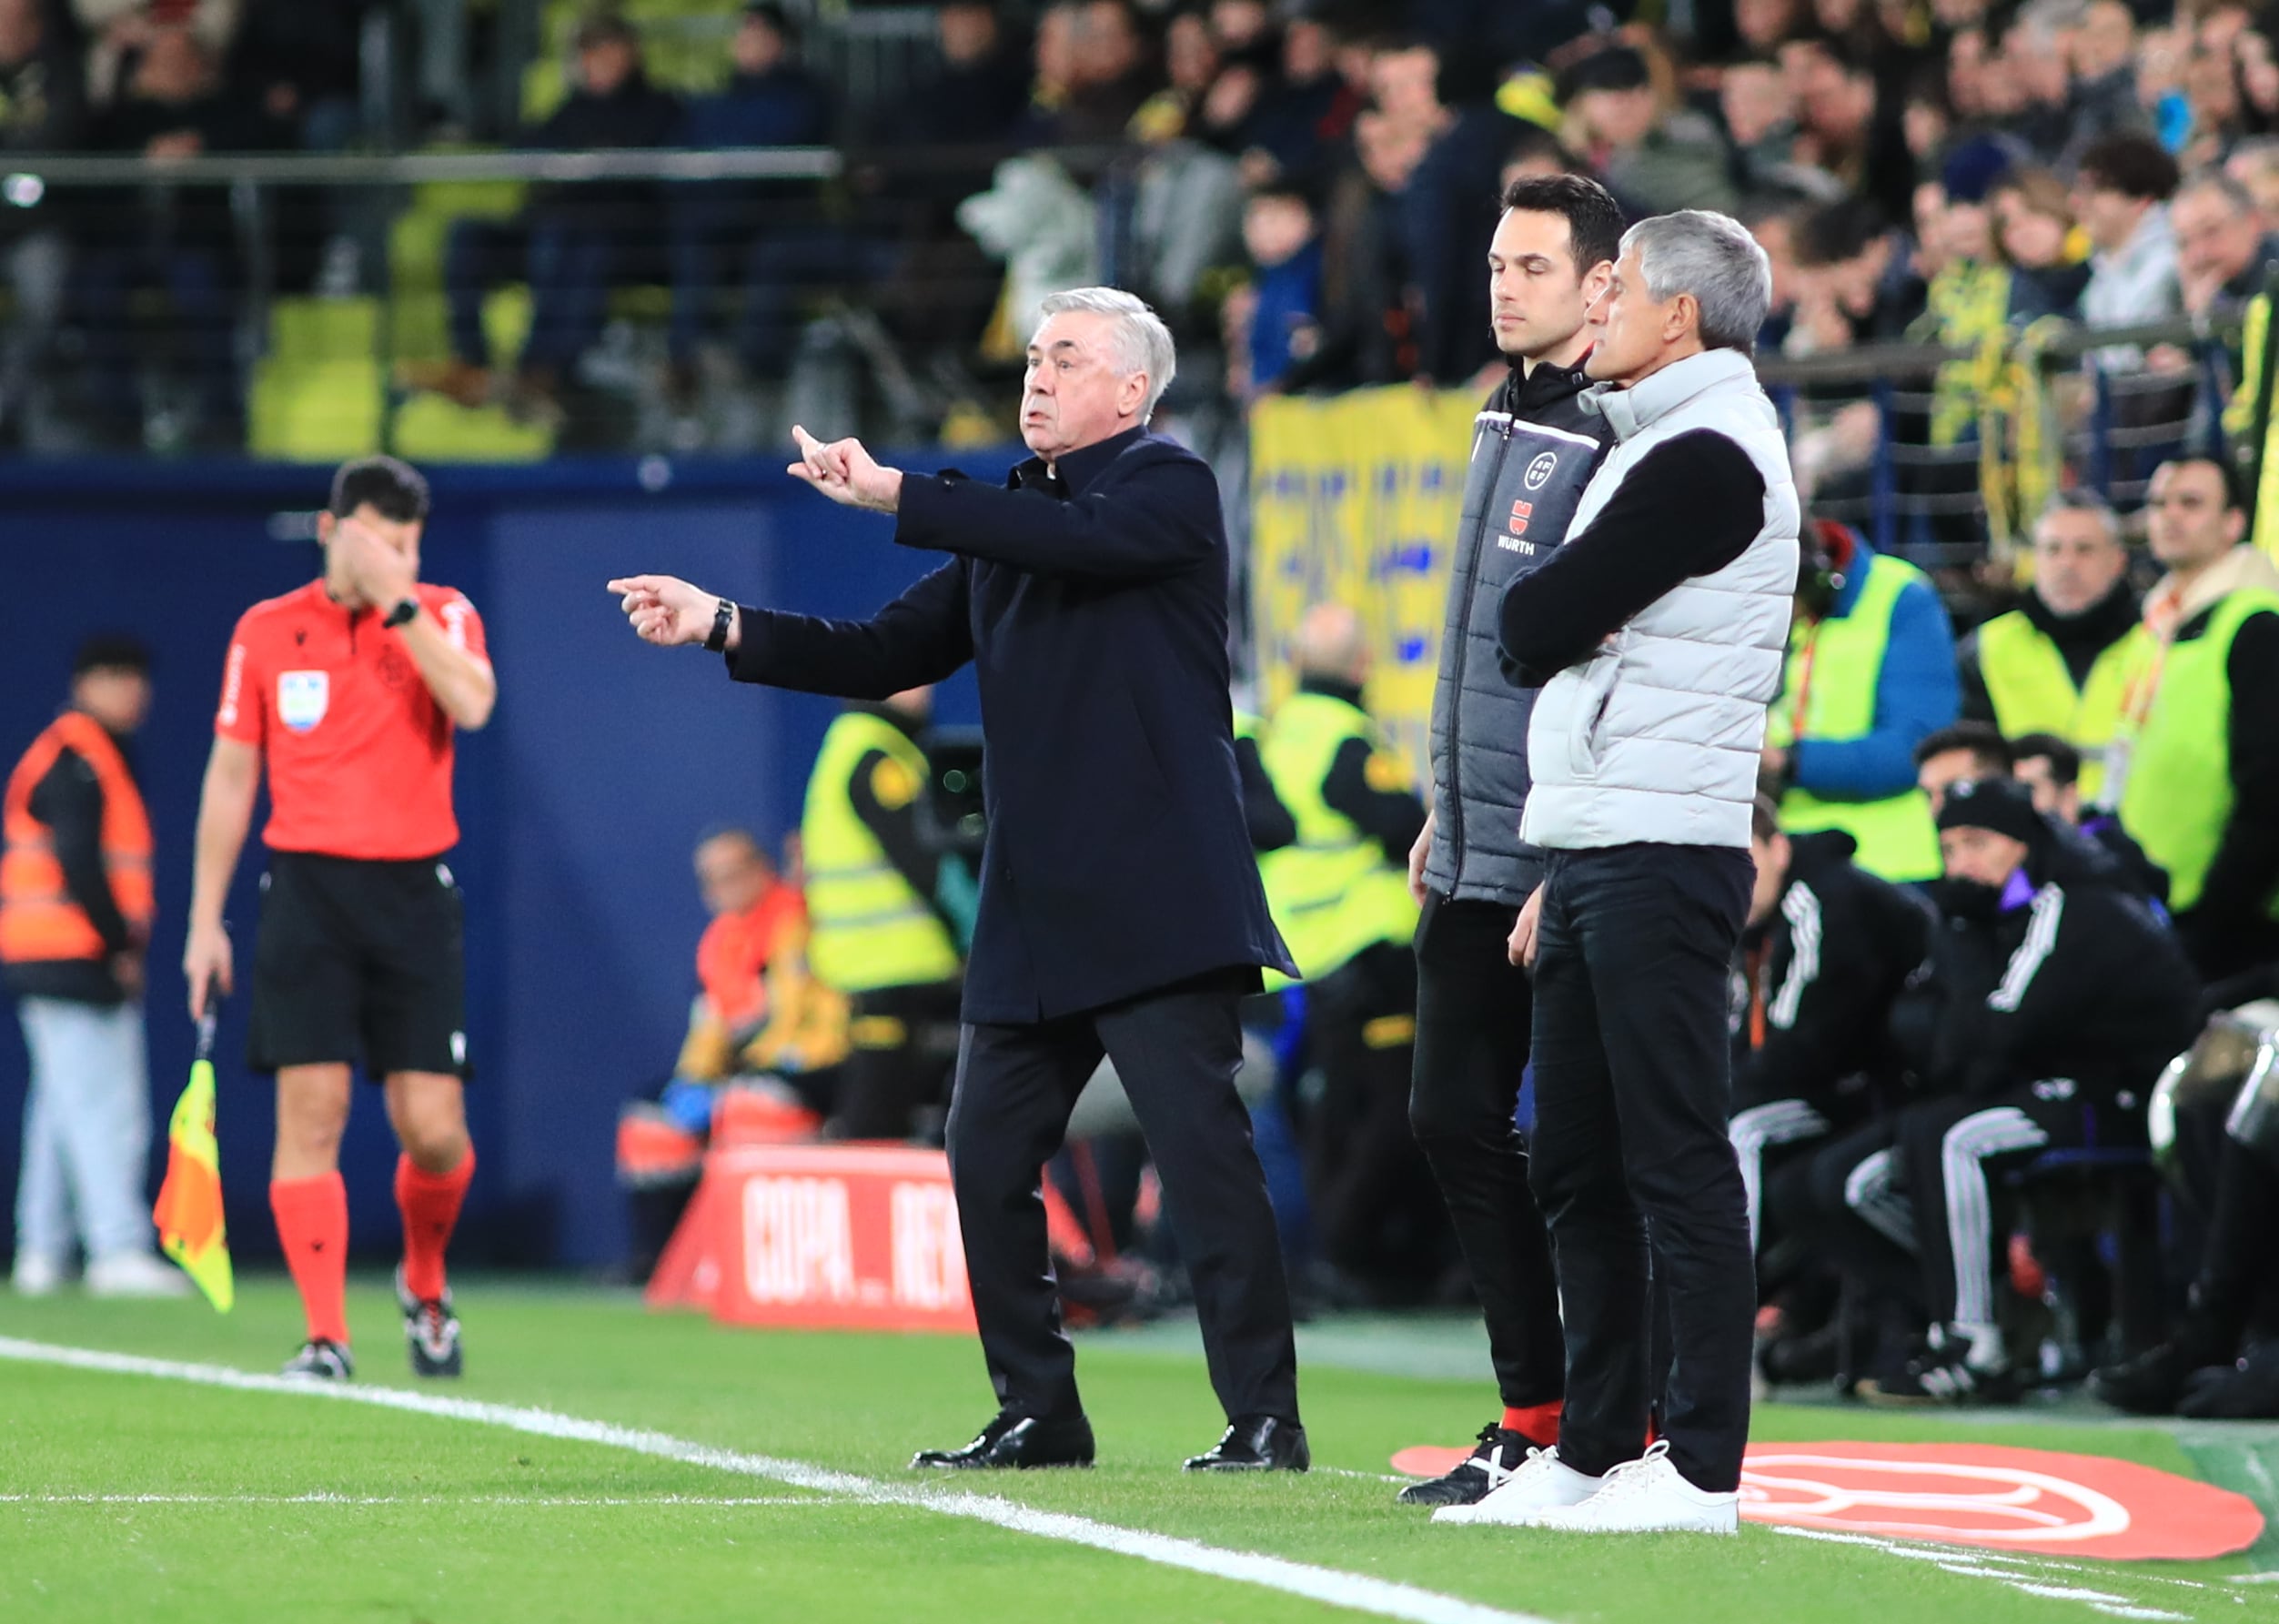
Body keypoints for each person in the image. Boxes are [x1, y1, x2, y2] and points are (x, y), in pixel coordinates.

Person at [609, 287, 1306, 1474]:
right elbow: (883, 652)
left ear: (1131, 391)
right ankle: (1041, 1409)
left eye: (1066, 359)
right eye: (1030, 357)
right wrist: (722, 621)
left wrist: (895, 492)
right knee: (981, 1155)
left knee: (1202, 1158)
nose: (1035, 376)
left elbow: (1081, 544)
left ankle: (1263, 1418)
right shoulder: (1004, 527)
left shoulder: (1167, 487)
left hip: (1154, 897)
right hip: (1036, 911)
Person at [1455, 209, 1800, 1536]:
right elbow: (1537, 626)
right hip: (1602, 840)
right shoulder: (1655, 446)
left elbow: (1530, 621)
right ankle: (1597, 1452)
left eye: (1624, 291)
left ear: (1684, 318)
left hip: (1666, 844)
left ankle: (1700, 1469)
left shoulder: (1709, 455)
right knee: (1577, 1165)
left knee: (1671, 1161)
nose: (1595, 310)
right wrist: (1568, 623)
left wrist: (1569, 622)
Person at [1398, 171, 1619, 1514]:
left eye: (1531, 266)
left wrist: (1552, 853)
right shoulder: (1505, 412)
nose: (1502, 285)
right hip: (1475, 834)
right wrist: (1450, 800)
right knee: (1448, 1116)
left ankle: (1605, 1417)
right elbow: (1482, 659)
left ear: (1602, 285)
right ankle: (1534, 1411)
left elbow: (1605, 663)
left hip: (1561, 850)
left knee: (1588, 1151)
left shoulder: (1612, 430)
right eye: (1495, 264)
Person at [183, 457, 495, 1382]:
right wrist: (206, 921)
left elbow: (473, 703)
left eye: (407, 545)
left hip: (412, 894)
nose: (394, 558)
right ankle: (326, 1337)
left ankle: (424, 1281)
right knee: (309, 1117)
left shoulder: (442, 612)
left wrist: (398, 603)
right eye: (375, 542)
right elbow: (232, 776)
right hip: (308, 895)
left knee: (433, 1129)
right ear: (330, 533)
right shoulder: (268, 630)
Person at [1860, 779, 2198, 1403]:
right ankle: (1981, 1312)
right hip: (2052, 1086)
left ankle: (1973, 1344)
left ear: (2018, 844)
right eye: (1949, 845)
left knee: (1951, 1137)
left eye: (1977, 842)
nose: (1959, 861)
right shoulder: (1988, 915)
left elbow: (1998, 1030)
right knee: (1869, 1173)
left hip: (2123, 1099)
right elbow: (1944, 1040)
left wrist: (1960, 952)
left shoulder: (2069, 904)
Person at [2, 635, 183, 1297]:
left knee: (59, 1111)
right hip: (71, 958)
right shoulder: (77, 758)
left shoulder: (92, 754)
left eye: (136, 677)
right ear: (84, 683)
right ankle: (115, 1247)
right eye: (113, 676)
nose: (129, 690)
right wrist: (118, 946)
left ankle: (41, 1252)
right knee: (107, 1110)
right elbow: (79, 861)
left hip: (55, 956)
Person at [1257, 603, 1427, 1296]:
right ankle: (1342, 1250)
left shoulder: (1274, 735)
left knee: (1323, 1113)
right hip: (1365, 953)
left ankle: (1323, 1251)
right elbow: (1404, 826)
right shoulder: (1348, 741)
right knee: (1391, 1111)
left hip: (1296, 955)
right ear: (1362, 667)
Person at [617, 827, 842, 1279]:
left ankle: (747, 1264)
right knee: (648, 1124)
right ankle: (663, 1267)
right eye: (712, 879)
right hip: (747, 1067)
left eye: (733, 873)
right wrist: (696, 1078)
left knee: (750, 1108)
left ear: (762, 868)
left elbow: (802, 1016)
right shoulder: (719, 941)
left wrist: (753, 1070)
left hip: (810, 1062)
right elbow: (711, 1025)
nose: (723, 888)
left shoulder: (793, 918)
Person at [1728, 796, 1929, 1265]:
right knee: (1785, 1181)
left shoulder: (1822, 901)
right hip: (1842, 1083)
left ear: (1778, 849)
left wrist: (1729, 1091)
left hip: (1890, 1088)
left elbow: (1812, 1041)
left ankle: (1717, 1316)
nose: (1732, 883)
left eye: (1743, 861)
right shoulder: (1757, 923)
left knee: (1745, 1130)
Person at [2113, 457, 2279, 986]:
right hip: (2159, 905)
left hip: (2231, 923)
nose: (2169, 517)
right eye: (2160, 503)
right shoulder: (2161, 623)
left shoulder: (2255, 625)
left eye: (2191, 503)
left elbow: (2268, 790)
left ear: (2233, 522)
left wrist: (2218, 915)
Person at [800, 688, 967, 1142]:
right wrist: (974, 933)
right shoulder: (876, 753)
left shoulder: (856, 743)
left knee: (883, 1117)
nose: (927, 689)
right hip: (897, 967)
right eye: (911, 677)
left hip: (874, 967)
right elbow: (927, 864)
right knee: (879, 1122)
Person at [1765, 519, 1959, 884]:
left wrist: (1786, 760)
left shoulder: (1901, 598)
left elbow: (1916, 748)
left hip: (1884, 868)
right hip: (1783, 862)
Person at [1958, 491, 2145, 807]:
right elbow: (1977, 767)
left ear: (2118, 561)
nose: (2067, 564)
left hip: (2139, 835)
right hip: (2029, 839)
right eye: (2052, 549)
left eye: (2084, 550)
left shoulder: (2158, 640)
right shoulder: (1987, 648)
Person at [2009, 732, 2168, 903]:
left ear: (2069, 797)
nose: (2015, 800)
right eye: (2008, 788)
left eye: (2029, 789)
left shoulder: (2112, 862)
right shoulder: (2007, 853)